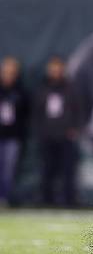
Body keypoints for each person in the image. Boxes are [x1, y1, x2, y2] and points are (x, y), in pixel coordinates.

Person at [33, 56, 81, 206]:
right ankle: (46, 200)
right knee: (47, 169)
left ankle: (69, 200)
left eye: (58, 69)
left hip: (65, 135)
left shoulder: (70, 88)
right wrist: (40, 130)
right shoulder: (42, 88)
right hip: (47, 135)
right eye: (53, 69)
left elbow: (78, 110)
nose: (55, 72)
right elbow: (36, 112)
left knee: (67, 170)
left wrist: (74, 128)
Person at [0, 56, 29, 205]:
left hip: (13, 137)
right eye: (6, 71)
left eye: (11, 72)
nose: (8, 74)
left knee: (7, 171)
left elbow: (25, 114)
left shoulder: (20, 91)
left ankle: (3, 198)